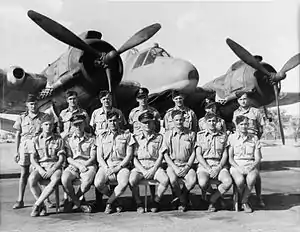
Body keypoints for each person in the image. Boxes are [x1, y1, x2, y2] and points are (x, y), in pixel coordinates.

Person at [89, 90, 127, 210]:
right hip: (101, 146)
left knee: (114, 178)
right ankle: (103, 201)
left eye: (109, 98)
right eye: (104, 99)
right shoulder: (96, 113)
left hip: (117, 146)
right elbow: (92, 130)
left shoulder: (118, 112)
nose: (107, 100)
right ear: (101, 100)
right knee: (100, 178)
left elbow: (124, 127)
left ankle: (112, 201)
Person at [94, 111, 135, 214]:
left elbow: (129, 155)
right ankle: (116, 200)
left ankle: (109, 203)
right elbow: (99, 156)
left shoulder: (127, 135)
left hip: (122, 166)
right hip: (106, 165)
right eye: (110, 121)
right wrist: (107, 168)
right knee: (98, 183)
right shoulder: (101, 136)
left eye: (115, 120)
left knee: (123, 183)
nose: (113, 123)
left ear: (119, 121)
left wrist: (118, 168)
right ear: (107, 122)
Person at [129, 111, 169, 213]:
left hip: (154, 165)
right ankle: (138, 203)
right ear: (140, 124)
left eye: (149, 122)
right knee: (132, 180)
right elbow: (133, 158)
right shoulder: (135, 138)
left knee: (165, 180)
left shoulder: (159, 137)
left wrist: (153, 169)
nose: (147, 125)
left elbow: (161, 155)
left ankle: (155, 201)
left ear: (153, 123)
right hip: (140, 166)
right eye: (144, 123)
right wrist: (143, 171)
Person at [12, 94, 47, 209]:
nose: (33, 106)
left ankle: (45, 200)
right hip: (25, 146)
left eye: (35, 103)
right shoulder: (22, 117)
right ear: (27, 105)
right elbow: (17, 135)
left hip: (38, 146)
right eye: (31, 104)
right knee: (24, 173)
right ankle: (20, 199)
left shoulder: (44, 117)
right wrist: (16, 151)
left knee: (40, 173)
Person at [28, 114, 65, 217]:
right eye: (46, 124)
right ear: (41, 126)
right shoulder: (35, 140)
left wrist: (52, 169)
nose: (48, 127)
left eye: (50, 125)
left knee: (54, 181)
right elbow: (33, 159)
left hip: (54, 166)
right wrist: (40, 170)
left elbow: (61, 159)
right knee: (31, 180)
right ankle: (43, 205)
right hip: (41, 166)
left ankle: (37, 205)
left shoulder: (58, 139)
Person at [233, 92, 265, 207]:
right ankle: (244, 199)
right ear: (238, 101)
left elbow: (261, 128)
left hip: (252, 141)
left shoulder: (255, 112)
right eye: (240, 99)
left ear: (249, 100)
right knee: (240, 177)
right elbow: (236, 127)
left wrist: (255, 139)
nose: (243, 101)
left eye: (245, 99)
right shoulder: (236, 113)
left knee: (256, 175)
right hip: (240, 141)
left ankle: (259, 196)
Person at [196, 113, 232, 212]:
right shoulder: (200, 136)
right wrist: (208, 168)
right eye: (209, 121)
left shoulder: (223, 135)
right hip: (205, 165)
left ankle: (212, 200)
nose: (212, 123)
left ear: (217, 122)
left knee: (228, 182)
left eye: (214, 121)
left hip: (219, 164)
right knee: (202, 183)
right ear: (205, 122)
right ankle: (217, 196)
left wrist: (219, 167)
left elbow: (225, 154)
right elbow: (198, 155)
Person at [162, 110, 197, 212]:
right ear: (172, 121)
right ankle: (183, 200)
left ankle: (181, 197)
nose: (179, 122)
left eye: (181, 119)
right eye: (176, 120)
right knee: (172, 180)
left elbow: (194, 152)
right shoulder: (167, 135)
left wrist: (187, 167)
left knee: (192, 181)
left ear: (184, 120)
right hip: (173, 165)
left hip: (187, 164)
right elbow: (165, 154)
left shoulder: (191, 134)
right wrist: (175, 167)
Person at [61, 114, 97, 213]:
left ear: (84, 124)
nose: (78, 127)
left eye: (80, 124)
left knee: (86, 183)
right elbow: (68, 157)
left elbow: (93, 158)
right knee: (65, 180)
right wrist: (78, 166)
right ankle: (79, 203)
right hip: (73, 165)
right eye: (75, 125)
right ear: (72, 125)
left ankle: (73, 202)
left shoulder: (91, 138)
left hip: (88, 165)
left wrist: (83, 166)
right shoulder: (68, 139)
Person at [228, 115, 262, 213]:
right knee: (239, 181)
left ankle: (244, 201)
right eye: (241, 124)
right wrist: (239, 168)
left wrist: (250, 167)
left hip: (250, 164)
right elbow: (230, 159)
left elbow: (258, 158)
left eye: (246, 124)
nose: (244, 126)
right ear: (237, 125)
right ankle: (240, 198)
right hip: (236, 165)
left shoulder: (254, 138)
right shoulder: (232, 138)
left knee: (251, 180)